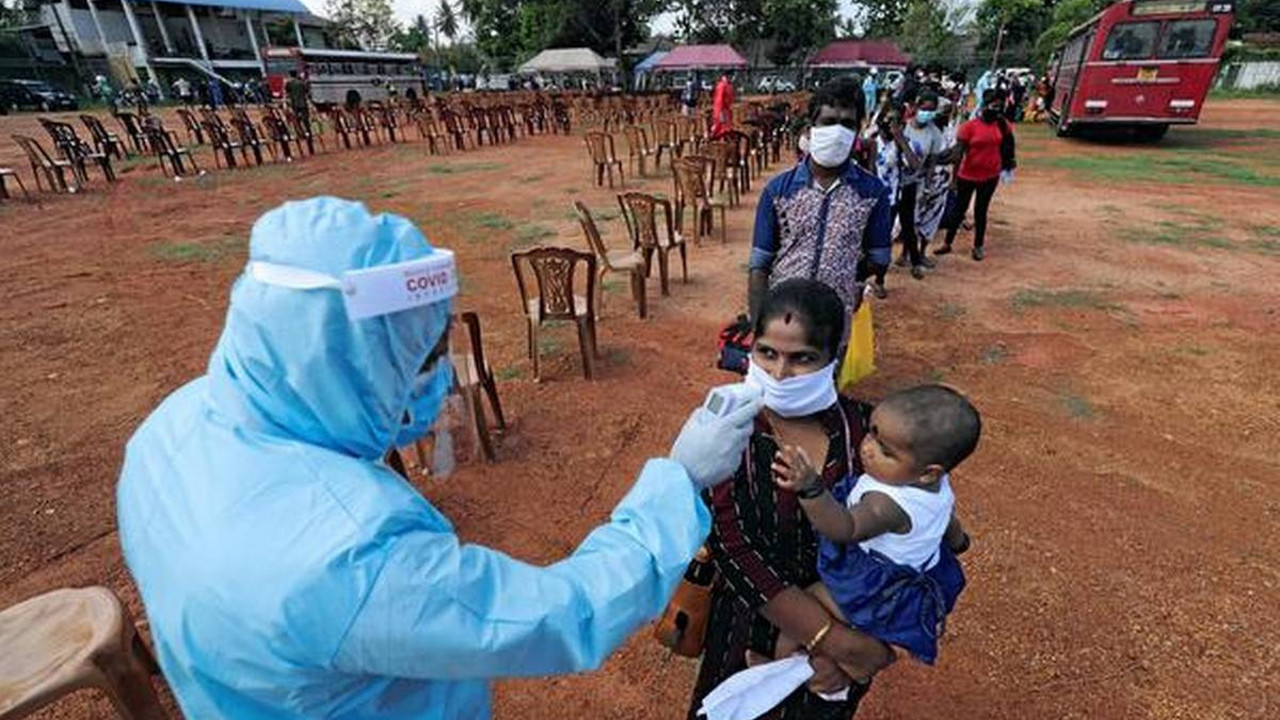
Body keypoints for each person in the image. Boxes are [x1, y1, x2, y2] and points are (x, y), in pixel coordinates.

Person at [117, 197, 764, 720]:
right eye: (421, 359)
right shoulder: (350, 553)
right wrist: (678, 482)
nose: (436, 381)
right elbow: (557, 615)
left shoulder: (168, 427)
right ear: (342, 358)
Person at [688, 279, 898, 720]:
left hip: (845, 629)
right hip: (749, 627)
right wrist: (837, 643)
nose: (780, 373)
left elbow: (903, 539)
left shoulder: (866, 432)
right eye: (767, 353)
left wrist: (848, 646)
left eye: (802, 358)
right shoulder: (728, 430)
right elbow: (731, 544)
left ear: (831, 359)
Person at [771, 384, 977, 671]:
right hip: (904, 587)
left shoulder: (884, 505)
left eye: (886, 451)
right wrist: (960, 543)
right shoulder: (937, 485)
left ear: (928, 472)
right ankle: (850, 670)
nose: (868, 449)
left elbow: (843, 528)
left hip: (870, 587)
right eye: (872, 432)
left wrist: (811, 489)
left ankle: (776, 669)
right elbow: (949, 522)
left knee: (801, 613)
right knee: (855, 631)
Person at [748, 77, 892, 323]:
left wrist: (846, 275)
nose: (837, 132)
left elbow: (879, 259)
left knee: (832, 362)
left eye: (846, 124)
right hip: (781, 315)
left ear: (858, 130)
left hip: (834, 317)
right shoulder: (778, 191)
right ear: (812, 127)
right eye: (828, 122)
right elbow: (759, 265)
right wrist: (759, 324)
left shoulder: (872, 194)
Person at [936, 89, 1016, 262]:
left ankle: (978, 246)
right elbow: (958, 155)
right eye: (993, 106)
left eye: (999, 107)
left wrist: (1007, 164)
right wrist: (953, 178)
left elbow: (1008, 146)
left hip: (990, 176)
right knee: (959, 211)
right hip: (967, 175)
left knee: (981, 211)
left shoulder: (1003, 125)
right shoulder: (969, 127)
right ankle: (947, 243)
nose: (996, 110)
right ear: (984, 106)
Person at [893, 90, 945, 279]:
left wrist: (929, 186)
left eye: (932, 110)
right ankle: (906, 254)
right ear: (915, 107)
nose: (928, 113)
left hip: (916, 182)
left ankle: (915, 257)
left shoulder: (934, 133)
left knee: (912, 221)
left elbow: (931, 162)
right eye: (925, 109)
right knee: (900, 221)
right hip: (896, 182)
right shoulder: (903, 127)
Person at [712, 70, 735, 138]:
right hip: (721, 110)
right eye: (731, 76)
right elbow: (719, 100)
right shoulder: (722, 86)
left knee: (728, 127)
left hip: (727, 109)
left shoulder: (728, 85)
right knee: (721, 127)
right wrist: (721, 112)